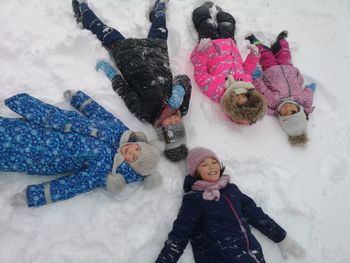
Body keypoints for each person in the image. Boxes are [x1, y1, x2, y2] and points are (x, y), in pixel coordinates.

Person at [72, 0, 192, 161]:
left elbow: (124, 91)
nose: (173, 118)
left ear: (159, 128)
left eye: (168, 124)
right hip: (156, 53)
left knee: (106, 32)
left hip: (128, 56)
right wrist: (179, 91)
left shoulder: (145, 112)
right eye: (176, 123)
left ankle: (83, 12)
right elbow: (183, 79)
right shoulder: (181, 108)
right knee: (160, 27)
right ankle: (160, 9)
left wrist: (111, 73)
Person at [0, 91, 164, 207]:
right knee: (12, 127)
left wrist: (33, 196)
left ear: (131, 166)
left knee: (10, 148)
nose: (131, 151)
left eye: (134, 157)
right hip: (53, 121)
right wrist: (78, 99)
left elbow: (74, 184)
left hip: (44, 153)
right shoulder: (120, 129)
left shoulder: (107, 170)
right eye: (137, 148)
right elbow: (99, 113)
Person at [156, 147, 305, 262]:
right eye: (204, 164)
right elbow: (180, 234)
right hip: (219, 257)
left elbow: (255, 214)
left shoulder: (231, 190)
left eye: (214, 162)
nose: (212, 166)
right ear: (195, 172)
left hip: (251, 255)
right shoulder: (195, 199)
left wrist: (281, 238)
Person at [190, 2, 266, 125]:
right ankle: (221, 14)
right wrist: (254, 56)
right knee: (228, 24)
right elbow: (247, 70)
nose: (240, 95)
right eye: (244, 97)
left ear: (231, 103)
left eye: (238, 99)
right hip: (229, 44)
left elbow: (200, 74)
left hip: (211, 46)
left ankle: (202, 10)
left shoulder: (217, 91)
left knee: (205, 24)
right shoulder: (246, 83)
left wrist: (203, 53)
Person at [246, 30, 316, 145]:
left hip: (270, 69)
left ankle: (254, 40)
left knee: (265, 53)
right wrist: (311, 88)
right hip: (288, 67)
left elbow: (262, 89)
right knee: (284, 51)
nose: (287, 108)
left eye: (285, 113)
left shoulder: (273, 101)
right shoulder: (303, 100)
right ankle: (280, 41)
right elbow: (309, 94)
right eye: (293, 111)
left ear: (280, 116)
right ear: (300, 110)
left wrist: (256, 77)